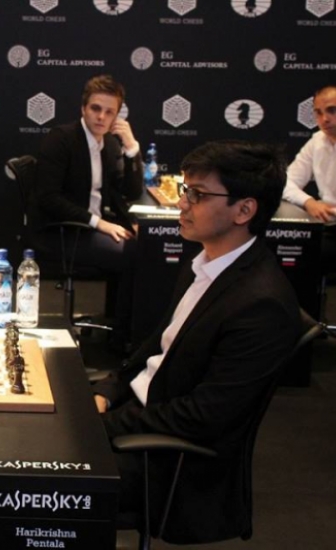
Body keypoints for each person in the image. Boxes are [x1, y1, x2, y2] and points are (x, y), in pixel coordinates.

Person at [93, 141, 301, 544]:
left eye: (198, 195)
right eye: (185, 190)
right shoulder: (206, 263)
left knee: (24, 471)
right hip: (137, 414)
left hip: (164, 460)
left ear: (244, 210)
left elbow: (203, 417)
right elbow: (157, 348)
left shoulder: (262, 305)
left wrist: (103, 425)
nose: (181, 204)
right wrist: (109, 388)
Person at [32, 74, 143, 345]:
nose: (101, 117)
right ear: (83, 108)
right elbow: (48, 198)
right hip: (61, 232)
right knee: (133, 254)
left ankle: (119, 324)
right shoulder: (61, 139)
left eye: (109, 112)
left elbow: (129, 192)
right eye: (95, 108)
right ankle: (123, 339)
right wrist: (98, 222)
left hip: (88, 228)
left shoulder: (110, 143)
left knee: (140, 246)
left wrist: (132, 148)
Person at [281, 84, 336, 271]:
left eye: (332, 110)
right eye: (318, 113)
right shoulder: (317, 140)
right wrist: (309, 202)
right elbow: (286, 182)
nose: (324, 119)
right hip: (327, 225)